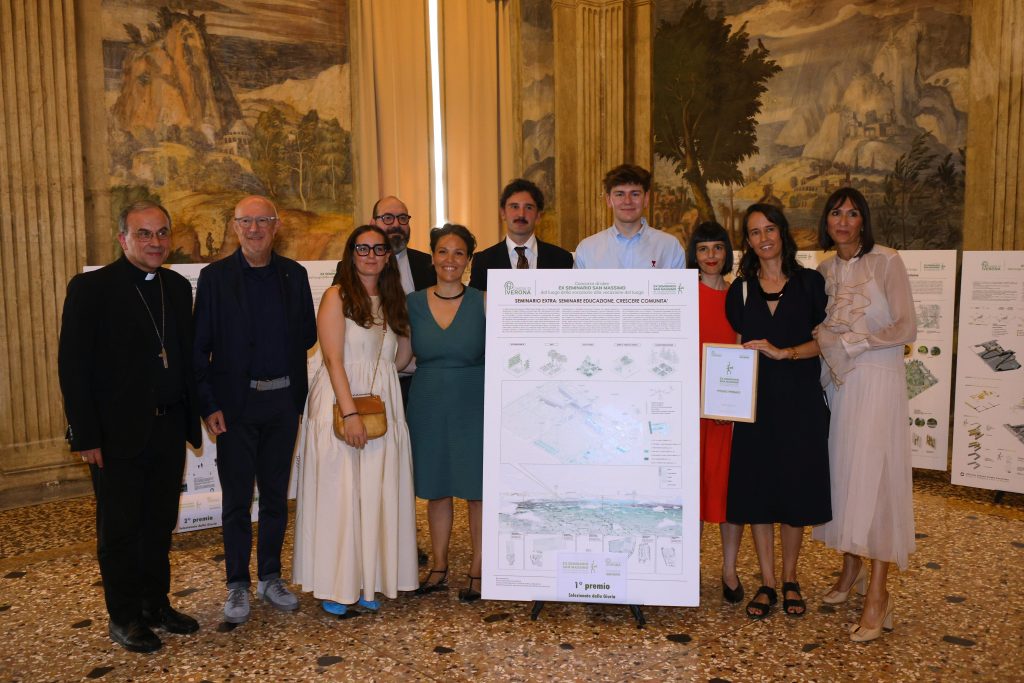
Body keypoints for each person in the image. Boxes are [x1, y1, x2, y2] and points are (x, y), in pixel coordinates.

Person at [58, 200, 202, 653]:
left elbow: (184, 357)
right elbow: (73, 367)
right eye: (144, 233)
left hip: (168, 428)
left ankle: (154, 605)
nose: (155, 242)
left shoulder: (176, 287)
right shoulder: (91, 288)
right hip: (115, 436)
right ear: (123, 239)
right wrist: (85, 435)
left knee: (158, 525)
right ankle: (124, 618)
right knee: (120, 531)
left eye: (162, 233)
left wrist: (196, 414)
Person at [193, 195, 317, 624]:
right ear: (234, 227)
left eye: (263, 221)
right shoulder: (214, 278)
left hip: (282, 404)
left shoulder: (294, 275)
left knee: (276, 499)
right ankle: (237, 584)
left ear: (276, 226)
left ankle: (270, 577)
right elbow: (199, 349)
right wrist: (209, 405)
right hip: (235, 408)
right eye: (246, 221)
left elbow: (307, 334)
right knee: (236, 501)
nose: (254, 229)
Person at [293, 225, 418, 615]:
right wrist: (350, 414)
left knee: (375, 492)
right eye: (362, 248)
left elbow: (399, 359)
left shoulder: (393, 299)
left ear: (388, 256)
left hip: (382, 404)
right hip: (341, 401)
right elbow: (333, 359)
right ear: (351, 254)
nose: (371, 255)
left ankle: (368, 580)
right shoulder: (337, 296)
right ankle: (336, 584)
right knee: (342, 494)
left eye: (378, 249)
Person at [810, 187, 917, 642]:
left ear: (863, 220)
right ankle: (850, 569)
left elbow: (906, 326)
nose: (843, 221)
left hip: (877, 381)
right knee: (846, 479)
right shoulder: (823, 269)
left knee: (877, 483)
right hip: (839, 386)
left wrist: (854, 342)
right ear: (827, 221)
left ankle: (879, 594)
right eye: (836, 213)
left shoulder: (887, 261)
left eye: (852, 213)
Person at [725, 203, 831, 620]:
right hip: (755, 406)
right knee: (759, 493)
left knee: (794, 491)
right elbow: (732, 351)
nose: (763, 238)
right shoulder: (741, 290)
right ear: (748, 242)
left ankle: (790, 578)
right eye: (755, 232)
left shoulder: (811, 284)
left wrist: (786, 352)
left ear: (782, 233)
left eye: (769, 229)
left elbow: (825, 342)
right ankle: (767, 582)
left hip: (800, 402)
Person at [406, 223, 486, 602]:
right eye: (442, 251)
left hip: (475, 403)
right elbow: (400, 358)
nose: (449, 259)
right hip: (428, 403)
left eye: (458, 253)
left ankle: (478, 569)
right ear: (432, 256)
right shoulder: (411, 304)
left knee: (477, 491)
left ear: (468, 260)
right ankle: (439, 567)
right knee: (436, 490)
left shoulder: (485, 302)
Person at [687, 221, 745, 605]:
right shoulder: (683, 294)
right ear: (694, 254)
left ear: (727, 252)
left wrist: (731, 403)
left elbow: (741, 348)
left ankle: (729, 569)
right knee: (691, 490)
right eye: (703, 248)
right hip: (689, 411)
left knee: (728, 493)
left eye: (718, 248)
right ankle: (687, 568)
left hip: (726, 412)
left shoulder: (740, 295)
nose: (711, 255)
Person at [573, 164, 685, 269]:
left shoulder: (670, 247)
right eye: (619, 194)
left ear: (646, 199)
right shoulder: (587, 250)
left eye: (635, 194)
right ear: (608, 200)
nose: (627, 201)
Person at [468, 178, 573, 289]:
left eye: (528, 207)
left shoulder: (562, 259)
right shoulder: (483, 261)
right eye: (515, 207)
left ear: (538, 216)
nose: (521, 214)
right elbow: (475, 300)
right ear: (503, 213)